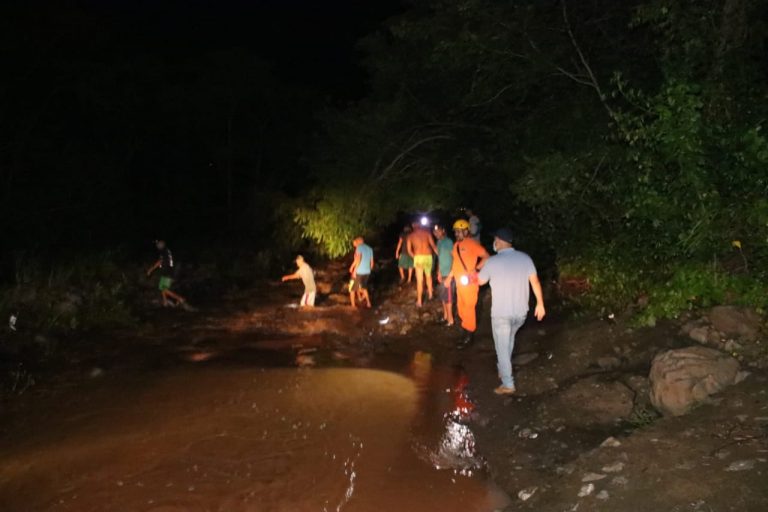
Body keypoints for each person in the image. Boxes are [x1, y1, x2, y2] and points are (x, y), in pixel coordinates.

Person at [478, 227, 546, 395]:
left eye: (495, 239)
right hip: (520, 313)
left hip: (502, 313)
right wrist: (540, 304)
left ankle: (508, 384)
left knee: (502, 346)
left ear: (499, 241)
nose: (494, 242)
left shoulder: (492, 262)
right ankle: (503, 367)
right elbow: (535, 282)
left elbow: (480, 281)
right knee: (508, 340)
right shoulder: (525, 258)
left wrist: (475, 272)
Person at [444, 219, 489, 348]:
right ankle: (465, 331)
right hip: (459, 283)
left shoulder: (472, 244)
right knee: (461, 308)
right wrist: (449, 278)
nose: (457, 234)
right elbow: (455, 264)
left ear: (466, 231)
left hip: (469, 283)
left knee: (469, 308)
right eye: (456, 232)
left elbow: (486, 256)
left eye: (459, 231)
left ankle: (469, 337)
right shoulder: (456, 246)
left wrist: (476, 269)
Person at [146, 240, 190, 309]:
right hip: (167, 272)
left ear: (161, 245)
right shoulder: (167, 251)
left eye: (158, 245)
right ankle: (165, 302)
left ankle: (180, 299)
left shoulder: (163, 252)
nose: (157, 246)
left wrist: (151, 269)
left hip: (167, 273)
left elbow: (160, 262)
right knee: (162, 288)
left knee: (164, 289)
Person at [407, 220, 438, 307]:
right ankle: (431, 295)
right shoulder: (427, 233)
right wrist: (439, 254)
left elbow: (409, 251)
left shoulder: (410, 236)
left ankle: (419, 301)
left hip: (418, 257)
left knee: (419, 280)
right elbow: (433, 246)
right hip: (428, 257)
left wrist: (415, 257)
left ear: (413, 226)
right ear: (420, 225)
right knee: (428, 276)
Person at [434, 224, 455, 326]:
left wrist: (451, 274)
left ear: (443, 230)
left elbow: (454, 257)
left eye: (438, 231)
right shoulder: (439, 242)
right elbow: (439, 258)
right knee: (443, 297)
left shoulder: (449, 242)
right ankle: (445, 316)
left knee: (448, 298)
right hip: (442, 273)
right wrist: (438, 271)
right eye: (435, 232)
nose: (436, 233)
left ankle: (450, 320)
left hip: (449, 274)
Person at [349, 236, 374, 308]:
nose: (354, 244)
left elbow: (358, 259)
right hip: (367, 271)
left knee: (352, 289)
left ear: (359, 242)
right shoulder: (370, 249)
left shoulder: (359, 248)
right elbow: (372, 262)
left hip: (359, 271)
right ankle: (368, 303)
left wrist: (354, 270)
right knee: (364, 287)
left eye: (355, 242)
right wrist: (369, 270)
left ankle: (353, 306)